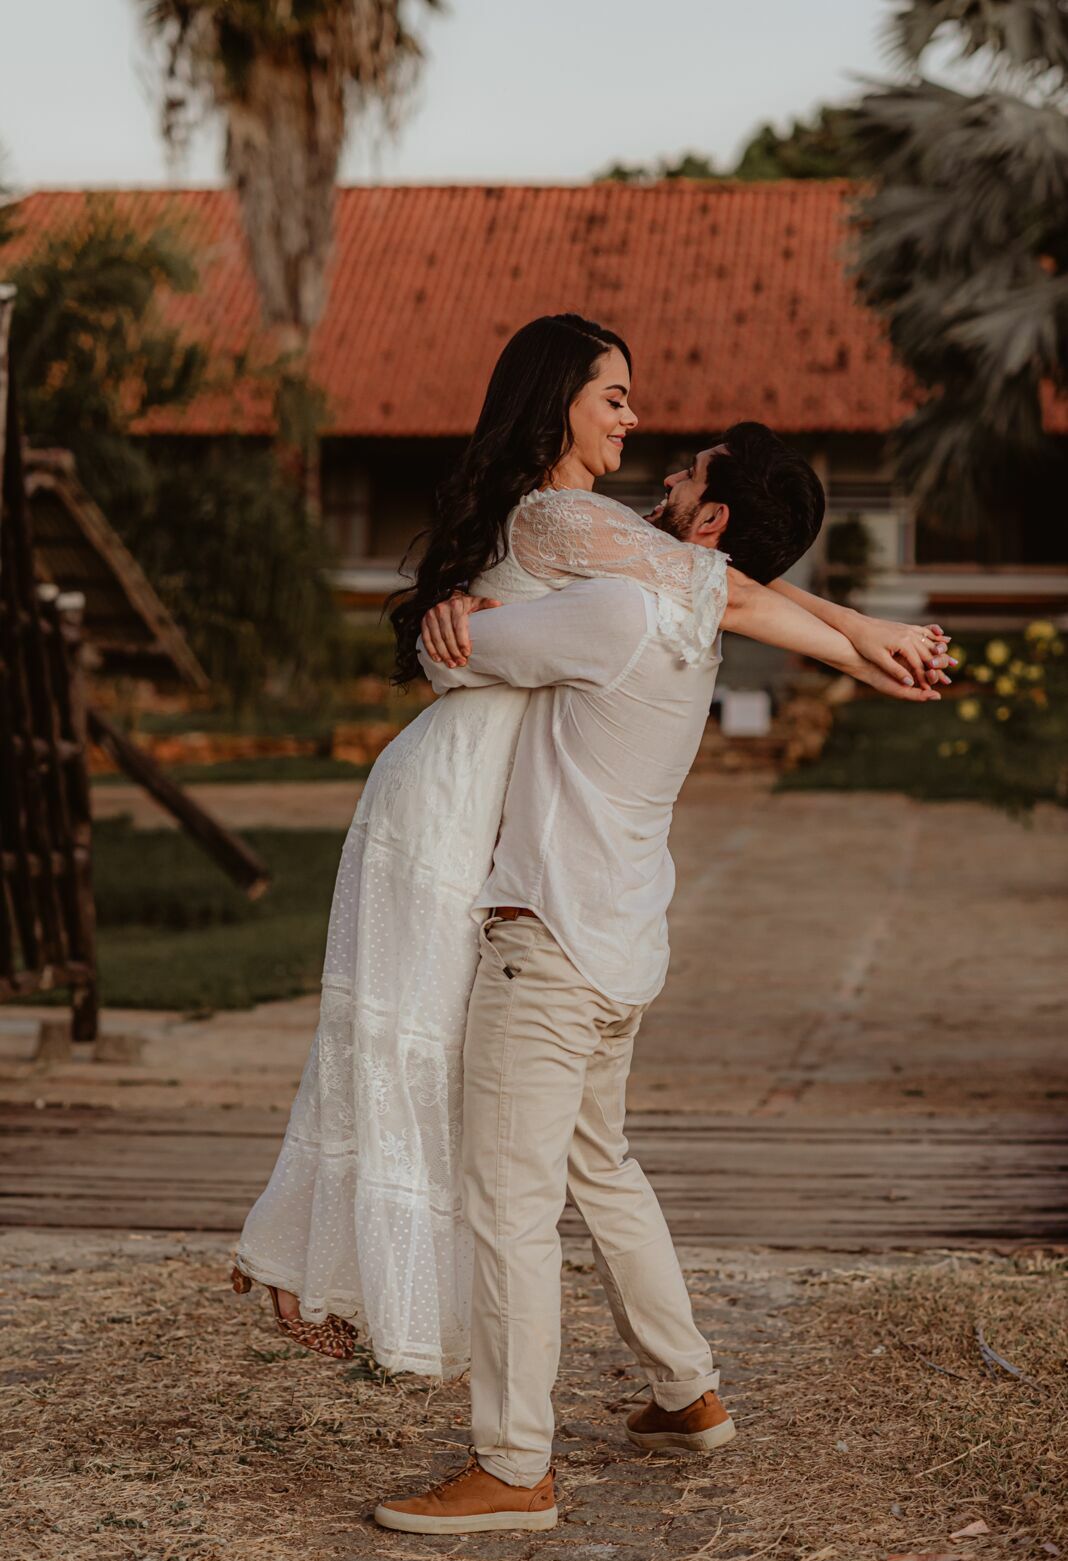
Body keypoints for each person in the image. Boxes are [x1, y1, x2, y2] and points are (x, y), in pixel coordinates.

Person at [232, 313, 950, 1380]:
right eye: (616, 396)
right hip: (449, 795)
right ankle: (311, 1260)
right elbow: (727, 582)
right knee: (401, 1034)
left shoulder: (603, 536)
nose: (637, 416)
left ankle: (320, 1263)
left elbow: (722, 574)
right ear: (559, 395)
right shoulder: (559, 515)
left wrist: (859, 639)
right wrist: (862, 638)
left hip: (486, 798)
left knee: (421, 1042)